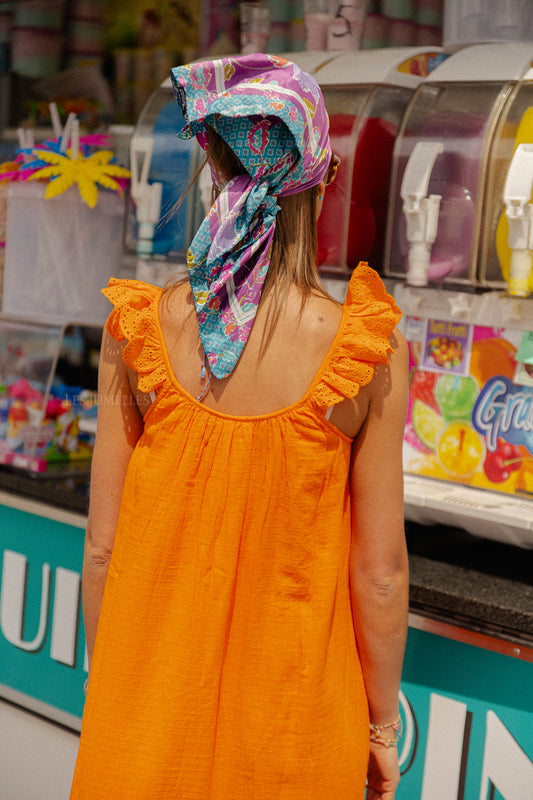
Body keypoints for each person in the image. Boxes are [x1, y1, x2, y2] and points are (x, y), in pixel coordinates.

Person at [70, 53, 409, 800]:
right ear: (323, 182)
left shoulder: (139, 330)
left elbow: (102, 549)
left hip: (145, 721)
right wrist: (379, 730)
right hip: (293, 737)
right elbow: (380, 575)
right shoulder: (363, 349)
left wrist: (118, 693)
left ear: (211, 165)